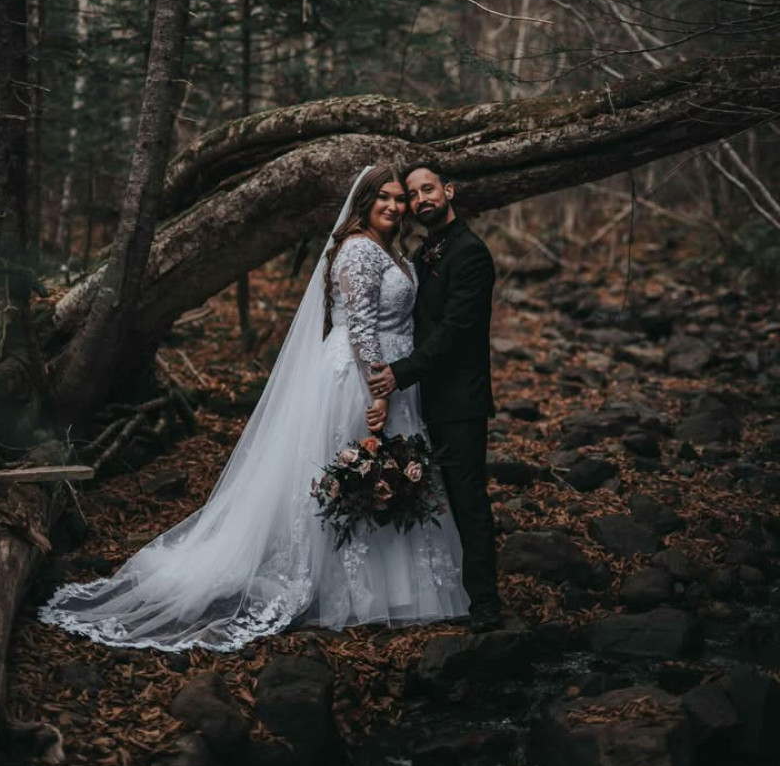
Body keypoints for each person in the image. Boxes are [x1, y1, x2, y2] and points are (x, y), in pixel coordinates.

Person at [39, 165, 469, 652]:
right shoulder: (358, 251)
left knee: (382, 471)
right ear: (365, 201)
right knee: (355, 468)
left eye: (399, 199)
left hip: (392, 375)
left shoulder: (390, 250)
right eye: (384, 198)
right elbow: (363, 328)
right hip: (362, 375)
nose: (394, 206)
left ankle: (391, 590)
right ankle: (344, 588)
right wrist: (379, 390)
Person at [369, 163, 502, 634]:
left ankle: (485, 603)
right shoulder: (428, 250)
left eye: (429, 189)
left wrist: (400, 373)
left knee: (468, 500)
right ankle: (436, 589)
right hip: (426, 396)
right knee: (434, 496)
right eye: (413, 194)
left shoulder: (470, 253)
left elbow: (456, 331)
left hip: (459, 399)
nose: (421, 198)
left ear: (448, 191)